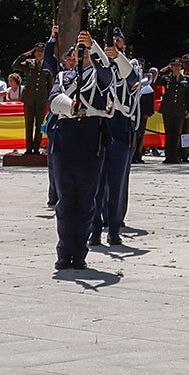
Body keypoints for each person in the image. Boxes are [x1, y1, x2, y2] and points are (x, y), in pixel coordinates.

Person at [48, 26, 112, 272]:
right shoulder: (64, 77)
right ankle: (64, 251)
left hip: (90, 136)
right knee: (65, 199)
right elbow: (53, 101)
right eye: (79, 50)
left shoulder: (100, 75)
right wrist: (69, 106)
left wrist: (93, 47)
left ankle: (80, 252)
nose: (82, 53)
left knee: (86, 199)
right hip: (66, 138)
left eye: (85, 51)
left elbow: (106, 75)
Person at [91, 32, 138, 244]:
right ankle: (94, 228)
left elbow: (133, 80)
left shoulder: (132, 64)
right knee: (97, 182)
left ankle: (114, 228)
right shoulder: (100, 67)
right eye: (110, 43)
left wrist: (118, 57)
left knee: (117, 182)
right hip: (102, 127)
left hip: (121, 127)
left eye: (118, 42)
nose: (114, 45)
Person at [17, 43, 52, 156]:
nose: (39, 53)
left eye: (41, 52)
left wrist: (50, 99)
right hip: (29, 98)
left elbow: (50, 84)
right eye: (37, 51)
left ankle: (36, 148)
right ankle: (28, 148)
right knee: (29, 124)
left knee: (39, 125)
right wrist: (25, 55)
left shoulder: (48, 64)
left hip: (42, 99)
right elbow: (15, 65)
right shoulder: (29, 63)